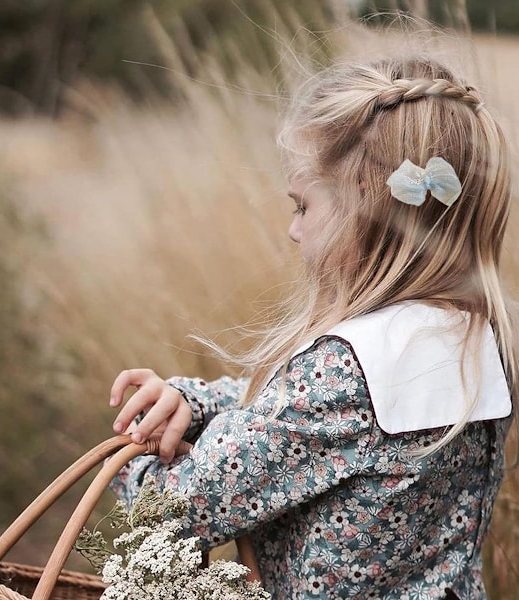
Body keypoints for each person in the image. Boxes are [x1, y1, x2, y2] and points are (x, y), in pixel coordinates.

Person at [108, 56, 516, 599]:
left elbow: (168, 516)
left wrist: (129, 455)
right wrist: (197, 401)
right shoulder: (486, 341)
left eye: (303, 205)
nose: (293, 230)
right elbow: (302, 422)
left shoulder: (345, 371)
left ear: (369, 212)